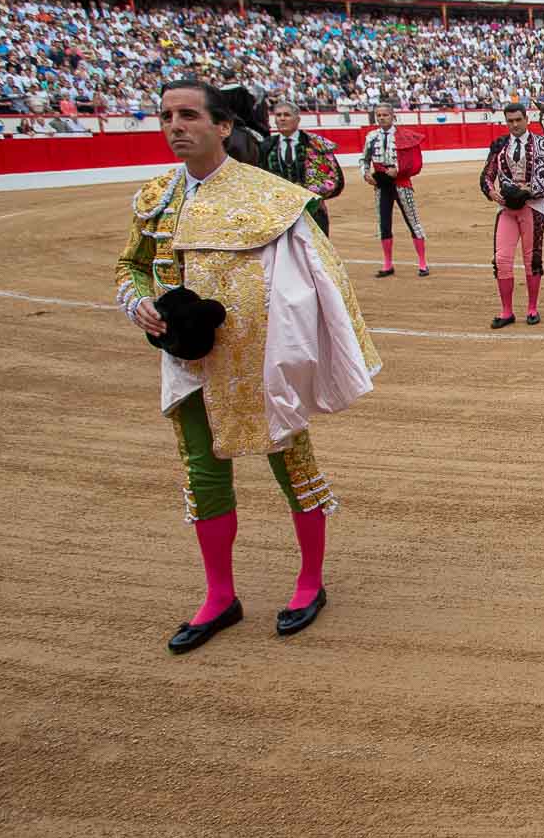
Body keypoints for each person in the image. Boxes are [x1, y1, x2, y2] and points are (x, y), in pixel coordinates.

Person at [116, 79, 379, 653]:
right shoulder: (155, 196)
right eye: (165, 116)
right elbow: (130, 266)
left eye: (188, 115)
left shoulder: (269, 196)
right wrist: (136, 302)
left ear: (224, 126)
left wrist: (307, 347)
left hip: (264, 356)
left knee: (293, 463)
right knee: (204, 472)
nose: (175, 126)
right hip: (186, 361)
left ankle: (309, 582)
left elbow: (320, 280)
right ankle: (219, 597)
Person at [479, 101, 544, 328]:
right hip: (506, 208)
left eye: (518, 120)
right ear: (506, 121)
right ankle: (506, 311)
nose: (515, 124)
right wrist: (492, 192)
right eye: (510, 121)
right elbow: (487, 174)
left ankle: (532, 308)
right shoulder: (499, 146)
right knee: (502, 259)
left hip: (533, 207)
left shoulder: (543, 145)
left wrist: (529, 190)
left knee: (532, 258)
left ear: (527, 119)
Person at [358, 104, 428, 277]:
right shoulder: (371, 137)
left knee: (413, 222)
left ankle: (423, 263)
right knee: (384, 224)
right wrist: (365, 173)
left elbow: (414, 162)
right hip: (381, 184)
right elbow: (364, 159)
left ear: (393, 116)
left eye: (385, 115)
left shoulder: (403, 136)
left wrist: (399, 170)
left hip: (401, 183)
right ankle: (388, 264)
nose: (381, 118)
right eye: (378, 115)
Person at [256, 96, 342, 235]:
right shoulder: (266, 146)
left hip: (311, 211)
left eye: (287, 115)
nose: (282, 119)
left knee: (316, 254)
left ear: (297, 119)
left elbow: (334, 178)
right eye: (278, 115)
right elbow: (259, 179)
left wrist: (313, 195)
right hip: (279, 214)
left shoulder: (315, 143)